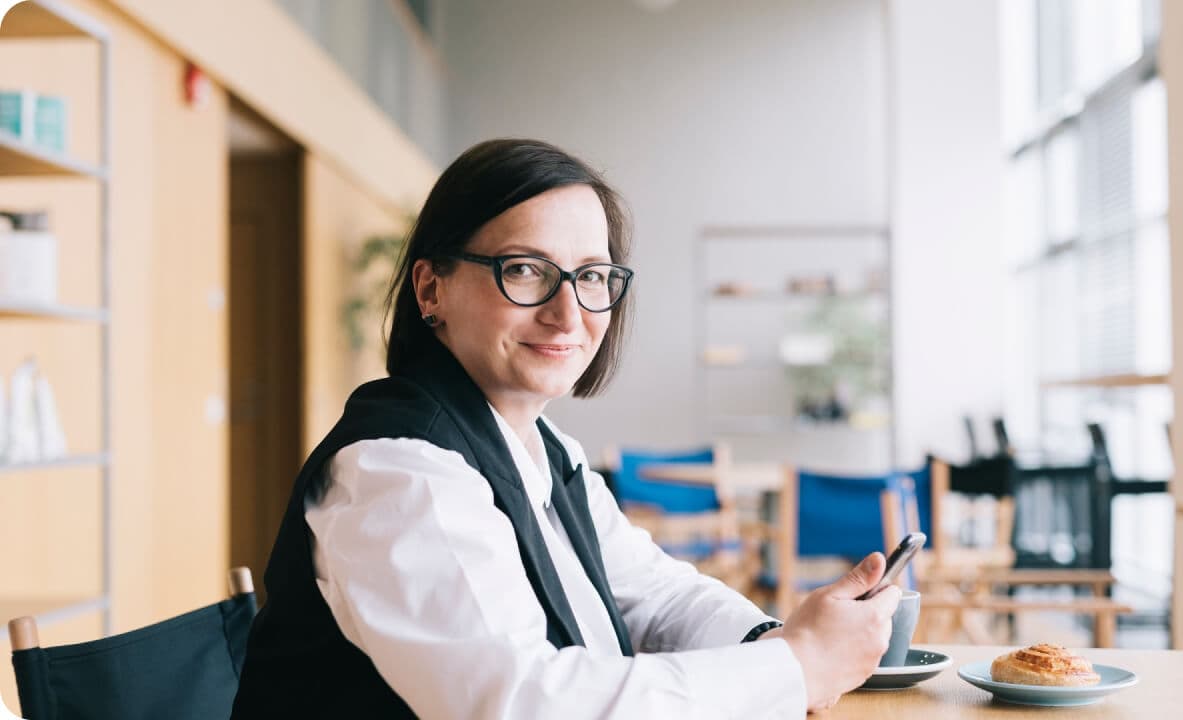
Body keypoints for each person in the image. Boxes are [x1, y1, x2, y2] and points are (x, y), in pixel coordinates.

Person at [230, 138, 901, 719]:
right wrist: (794, 666)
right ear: (430, 289)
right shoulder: (398, 474)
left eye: (591, 276)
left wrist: (777, 643)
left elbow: (652, 594)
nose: (568, 311)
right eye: (525, 269)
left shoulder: (541, 446)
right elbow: (527, 705)